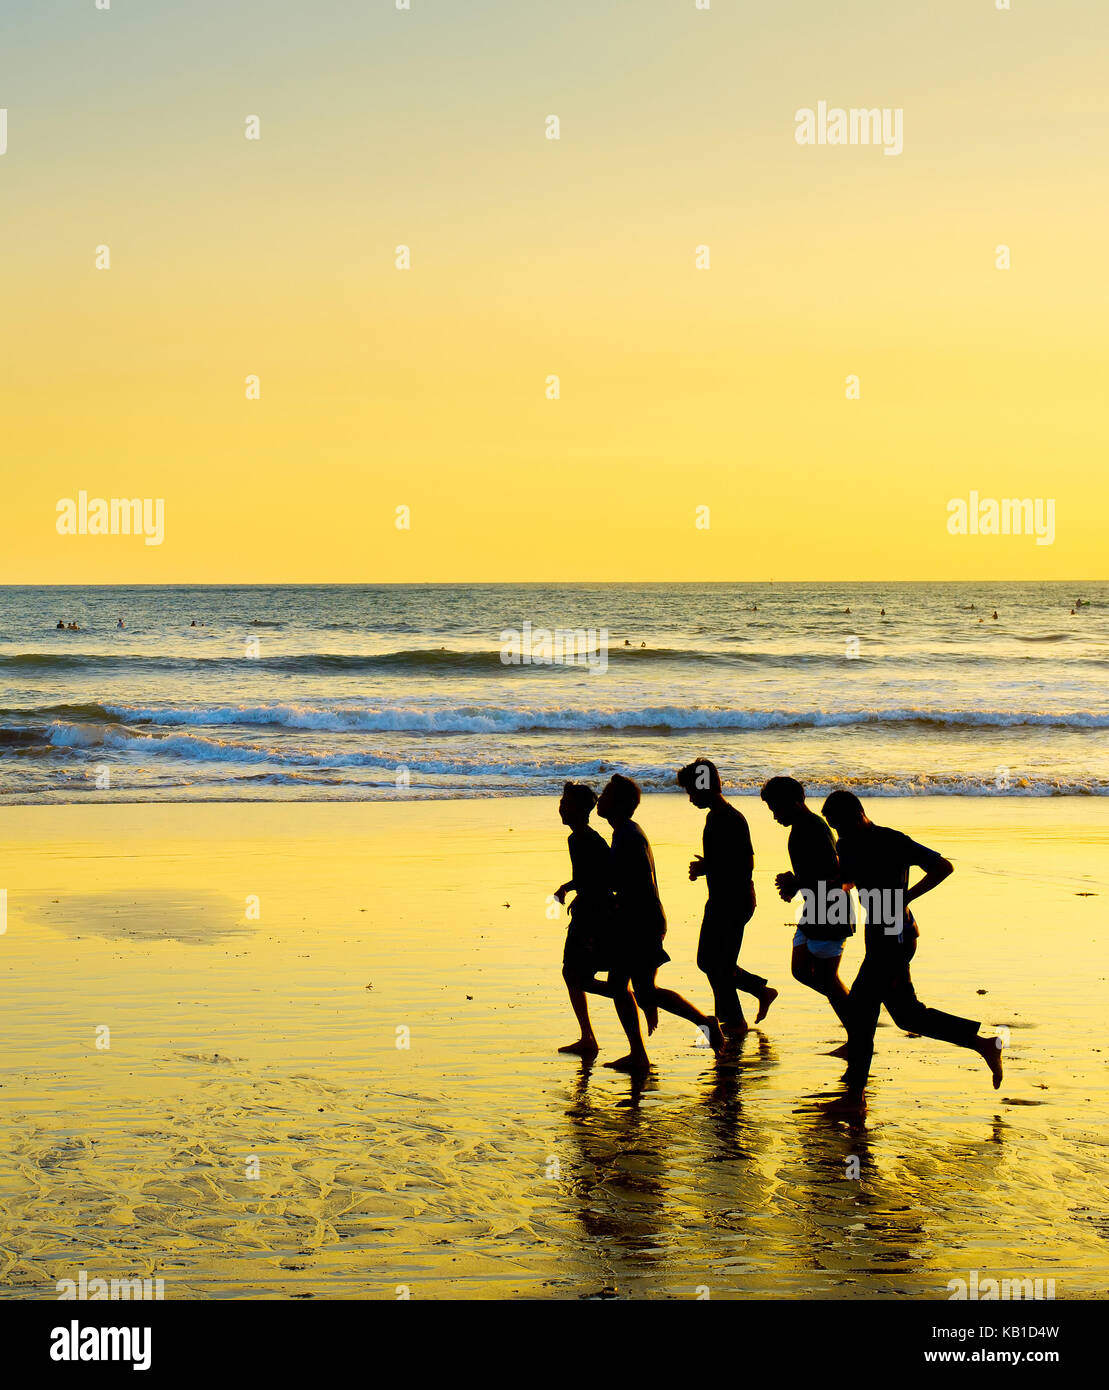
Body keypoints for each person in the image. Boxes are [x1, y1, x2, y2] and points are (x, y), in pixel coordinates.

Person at [821, 789, 1003, 1100]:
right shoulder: (847, 843)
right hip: (875, 934)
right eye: (834, 827)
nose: (838, 832)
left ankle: (855, 1093)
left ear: (857, 815)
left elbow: (943, 867)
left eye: (840, 824)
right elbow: (848, 879)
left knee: (861, 1010)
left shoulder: (892, 840)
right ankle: (983, 1043)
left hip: (897, 933)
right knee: (907, 1015)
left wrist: (907, 896)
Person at [598, 774, 723, 1071]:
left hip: (639, 923)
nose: (599, 798)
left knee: (625, 987)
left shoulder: (627, 835)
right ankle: (700, 1024)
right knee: (640, 990)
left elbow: (629, 882)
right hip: (642, 920)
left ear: (618, 804)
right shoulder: (626, 832)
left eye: (605, 794)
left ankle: (645, 1050)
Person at [677, 758, 777, 1033]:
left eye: (692, 791)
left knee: (716, 963)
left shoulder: (730, 818)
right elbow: (726, 858)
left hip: (734, 901)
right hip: (723, 899)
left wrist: (707, 866)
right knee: (710, 961)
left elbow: (747, 863)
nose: (690, 798)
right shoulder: (716, 816)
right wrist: (706, 868)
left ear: (705, 786)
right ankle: (747, 999)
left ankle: (735, 1020)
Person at [552, 782, 641, 1060]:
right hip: (589, 911)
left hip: (595, 917)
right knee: (572, 973)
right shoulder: (579, 838)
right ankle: (587, 1035)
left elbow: (606, 877)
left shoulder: (586, 839)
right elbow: (590, 875)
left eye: (565, 803)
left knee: (577, 974)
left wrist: (582, 893)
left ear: (579, 809)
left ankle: (621, 1005)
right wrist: (569, 888)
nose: (561, 808)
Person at [760, 776, 852, 1035]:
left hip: (831, 909)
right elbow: (815, 872)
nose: (774, 816)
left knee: (826, 978)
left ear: (794, 802)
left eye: (776, 808)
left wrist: (797, 881)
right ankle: (856, 1014)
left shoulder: (814, 827)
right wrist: (794, 885)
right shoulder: (799, 829)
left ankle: (857, 1026)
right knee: (801, 971)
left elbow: (835, 872)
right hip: (814, 909)